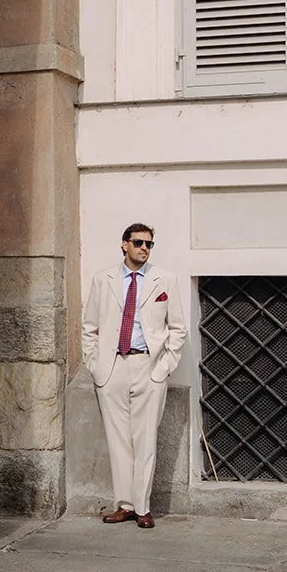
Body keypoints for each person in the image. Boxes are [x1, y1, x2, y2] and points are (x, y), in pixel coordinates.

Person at [81, 222, 186, 529]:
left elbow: (177, 329)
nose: (144, 248)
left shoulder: (165, 280)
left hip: (148, 367)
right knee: (118, 442)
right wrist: (95, 365)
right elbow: (89, 328)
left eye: (149, 244)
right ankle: (125, 505)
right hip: (112, 367)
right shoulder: (103, 280)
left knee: (145, 440)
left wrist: (163, 368)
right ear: (124, 244)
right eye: (138, 242)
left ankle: (143, 507)